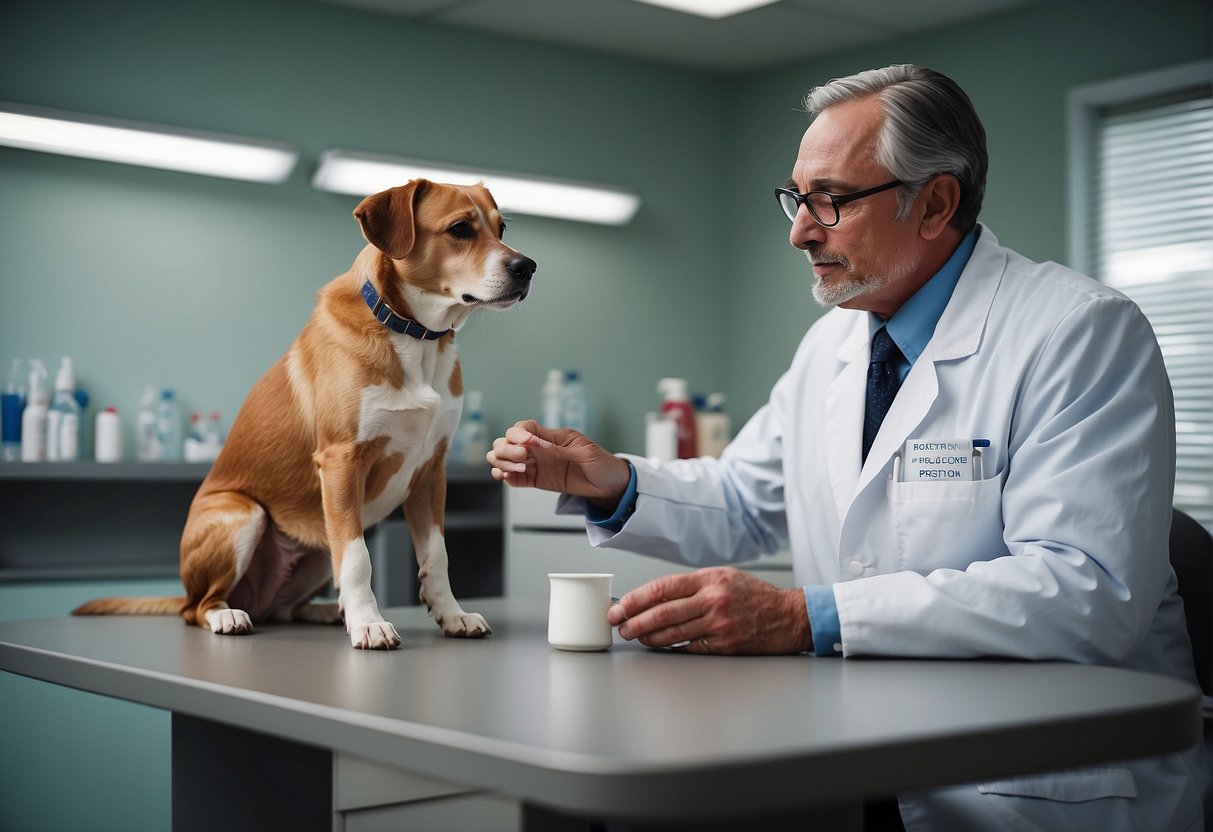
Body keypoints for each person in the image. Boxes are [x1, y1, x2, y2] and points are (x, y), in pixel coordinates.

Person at [488, 64, 1208, 831]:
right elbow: (745, 499)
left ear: (933, 203)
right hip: (864, 753)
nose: (799, 229)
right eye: (797, 198)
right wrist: (612, 482)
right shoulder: (833, 343)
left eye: (829, 200)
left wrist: (810, 619)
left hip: (1037, 791)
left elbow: (1088, 593)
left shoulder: (1078, 332)